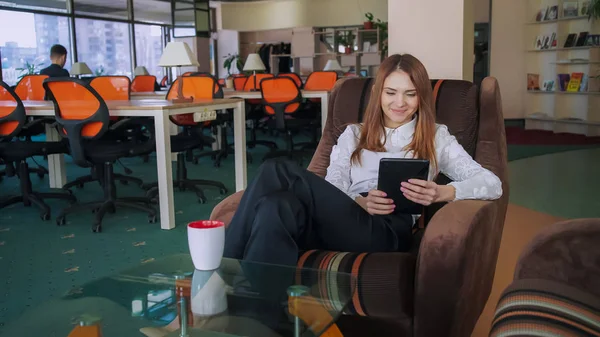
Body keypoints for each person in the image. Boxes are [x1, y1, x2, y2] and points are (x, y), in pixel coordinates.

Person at [223, 53, 503, 268]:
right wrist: (359, 202)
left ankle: (222, 266)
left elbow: (492, 184)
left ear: (421, 97)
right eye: (391, 92)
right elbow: (333, 184)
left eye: (410, 93)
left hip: (389, 230)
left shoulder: (435, 136)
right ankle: (261, 315)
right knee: (275, 206)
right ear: (378, 94)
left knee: (276, 169)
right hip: (345, 217)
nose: (399, 103)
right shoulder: (353, 133)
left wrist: (444, 192)